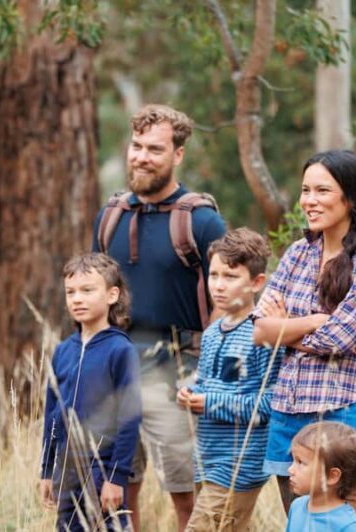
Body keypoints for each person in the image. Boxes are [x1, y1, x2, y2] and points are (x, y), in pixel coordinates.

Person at [92, 104, 227, 531]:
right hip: (117, 365)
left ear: (178, 155)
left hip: (180, 368)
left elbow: (227, 299)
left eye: (155, 148)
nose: (142, 157)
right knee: (116, 485)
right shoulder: (110, 217)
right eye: (136, 146)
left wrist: (210, 371)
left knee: (185, 491)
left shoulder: (202, 221)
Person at [252, 150, 356, 525]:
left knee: (343, 526)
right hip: (288, 410)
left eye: (322, 191)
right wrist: (317, 320)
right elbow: (260, 330)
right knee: (300, 523)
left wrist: (288, 330)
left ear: (350, 198)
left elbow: (342, 338)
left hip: (342, 410)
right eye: (305, 190)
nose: (309, 201)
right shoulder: (299, 253)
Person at [177, 228, 284, 532]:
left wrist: (209, 403)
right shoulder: (212, 334)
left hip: (239, 464)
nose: (219, 286)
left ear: (256, 283)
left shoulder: (262, 333)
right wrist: (190, 393)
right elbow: (208, 385)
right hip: (206, 460)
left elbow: (268, 404)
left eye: (231, 276)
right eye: (214, 275)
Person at [39, 253, 141, 531]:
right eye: (70, 292)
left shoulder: (121, 350)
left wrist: (117, 477)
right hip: (66, 468)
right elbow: (52, 415)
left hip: (102, 469)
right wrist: (47, 470)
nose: (77, 299)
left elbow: (129, 419)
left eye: (87, 290)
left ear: (112, 295)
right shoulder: (63, 351)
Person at [286, 421, 356, 532]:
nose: (290, 470)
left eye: (301, 462)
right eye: (293, 460)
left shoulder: (348, 526)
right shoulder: (296, 507)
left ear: (331, 476)